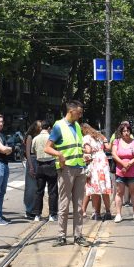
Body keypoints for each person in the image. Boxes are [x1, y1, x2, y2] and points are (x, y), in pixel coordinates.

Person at [44, 100, 92, 246]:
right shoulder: (59, 126)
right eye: (79, 112)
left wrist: (85, 151)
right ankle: (61, 236)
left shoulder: (77, 125)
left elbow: (76, 146)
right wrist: (59, 154)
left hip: (80, 167)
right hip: (66, 169)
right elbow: (47, 148)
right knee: (64, 204)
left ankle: (78, 236)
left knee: (78, 205)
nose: (81, 114)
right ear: (71, 111)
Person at [112, 121, 134, 222]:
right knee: (119, 192)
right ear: (121, 132)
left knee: (133, 191)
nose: (126, 132)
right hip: (120, 171)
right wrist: (122, 163)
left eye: (128, 130)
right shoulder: (116, 141)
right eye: (124, 131)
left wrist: (128, 164)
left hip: (132, 170)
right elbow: (114, 154)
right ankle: (118, 214)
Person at [82, 123, 113, 220]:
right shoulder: (100, 136)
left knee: (95, 189)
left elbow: (88, 150)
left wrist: (81, 149)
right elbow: (108, 147)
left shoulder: (86, 137)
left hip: (95, 162)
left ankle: (97, 213)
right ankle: (108, 212)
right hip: (103, 161)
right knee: (104, 188)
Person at [31, 120, 58, 221]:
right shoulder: (51, 137)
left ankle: (37, 214)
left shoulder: (35, 138)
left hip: (39, 164)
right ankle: (52, 214)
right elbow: (56, 149)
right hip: (51, 163)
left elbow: (33, 151)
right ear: (49, 128)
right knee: (53, 191)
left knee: (39, 191)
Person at [23, 121, 43, 220]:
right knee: (30, 188)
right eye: (40, 126)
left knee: (37, 188)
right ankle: (28, 210)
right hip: (32, 160)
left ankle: (35, 210)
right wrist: (31, 166)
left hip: (38, 160)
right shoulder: (30, 137)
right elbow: (28, 152)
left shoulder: (38, 136)